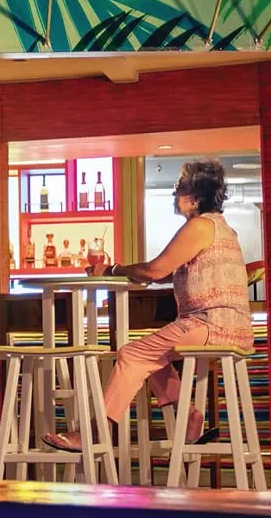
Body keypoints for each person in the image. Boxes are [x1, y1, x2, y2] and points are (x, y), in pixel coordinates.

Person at [44, 159, 251, 452]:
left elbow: (156, 270)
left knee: (132, 354)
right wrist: (130, 272)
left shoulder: (200, 226)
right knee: (151, 354)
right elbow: (165, 272)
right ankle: (190, 418)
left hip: (210, 324)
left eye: (180, 189)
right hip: (230, 326)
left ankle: (95, 432)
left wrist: (114, 270)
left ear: (194, 197)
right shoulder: (222, 228)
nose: (175, 195)